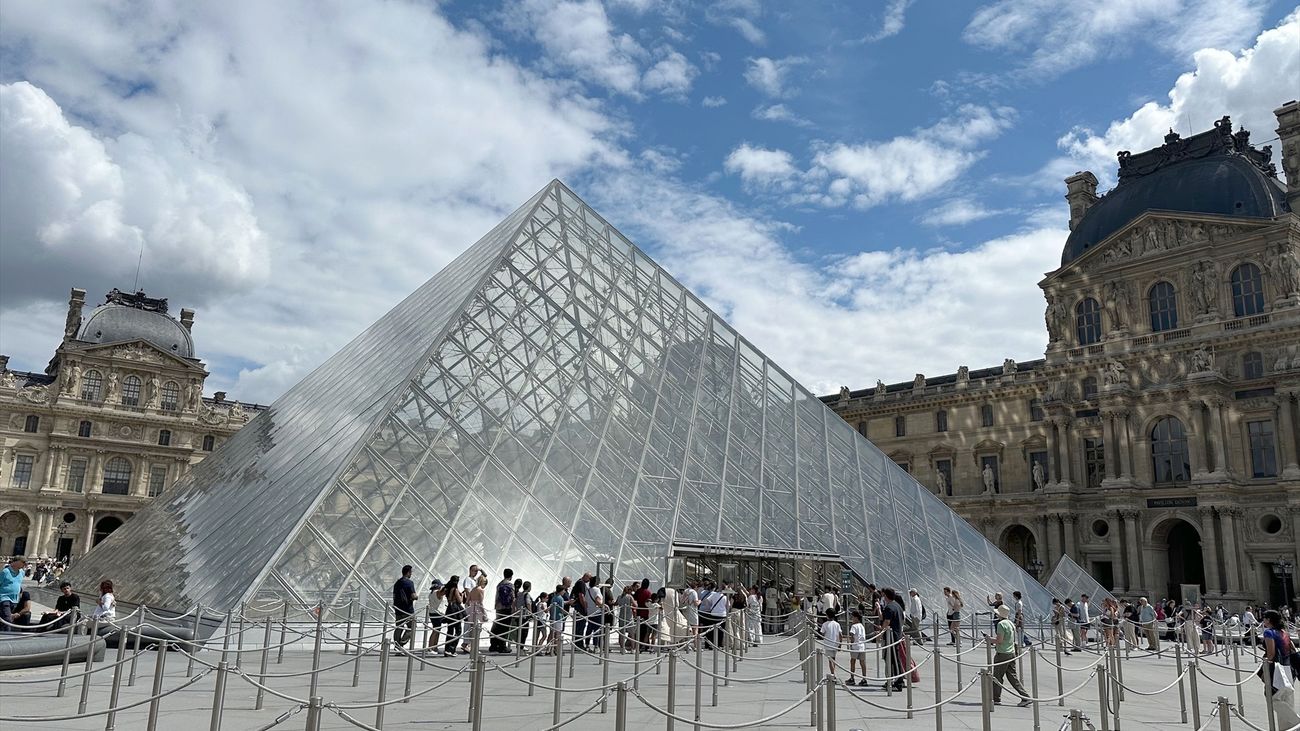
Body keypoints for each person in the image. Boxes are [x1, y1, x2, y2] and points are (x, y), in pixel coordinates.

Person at [1261, 610, 1300, 728]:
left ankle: (1297, 721)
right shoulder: (1284, 632)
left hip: (1277, 670)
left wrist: (1264, 671)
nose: (1263, 621)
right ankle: (1288, 728)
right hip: (1289, 669)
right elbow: (1292, 649)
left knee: (1272, 699)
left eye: (1264, 618)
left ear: (1268, 620)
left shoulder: (1269, 633)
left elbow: (1271, 654)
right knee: (1287, 700)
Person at [988, 605, 1032, 707]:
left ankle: (996, 698)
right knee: (1012, 677)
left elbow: (999, 640)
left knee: (997, 676)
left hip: (1002, 653)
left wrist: (989, 639)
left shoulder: (1001, 624)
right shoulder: (1010, 623)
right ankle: (1025, 696)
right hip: (1011, 653)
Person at [392, 565, 417, 649]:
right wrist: (416, 597)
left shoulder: (397, 583)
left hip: (398, 609)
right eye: (411, 572)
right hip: (408, 610)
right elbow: (413, 596)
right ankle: (402, 643)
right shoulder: (409, 583)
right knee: (412, 627)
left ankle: (396, 645)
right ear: (408, 572)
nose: (411, 574)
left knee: (399, 627)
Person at [698, 581, 729, 649]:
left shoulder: (714, 594)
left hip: (713, 613)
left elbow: (708, 601)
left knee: (711, 630)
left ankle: (710, 643)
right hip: (722, 615)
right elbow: (727, 606)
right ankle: (719, 644)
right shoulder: (725, 597)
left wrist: (711, 606)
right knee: (721, 631)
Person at [490, 569, 515, 653]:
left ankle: (493, 645)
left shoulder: (499, 584)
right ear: (511, 576)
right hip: (507, 608)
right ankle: (502, 646)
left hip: (498, 608)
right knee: (505, 628)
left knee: (497, 626)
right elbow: (512, 597)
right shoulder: (510, 585)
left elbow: (497, 597)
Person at [442, 576, 465, 658]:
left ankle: (447, 649)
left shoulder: (447, 589)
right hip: (456, 611)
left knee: (450, 631)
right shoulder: (455, 589)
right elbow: (460, 601)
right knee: (458, 631)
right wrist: (461, 595)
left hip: (450, 610)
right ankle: (452, 649)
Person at [0, 557, 26, 629]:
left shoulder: (21, 572)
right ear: (16, 562)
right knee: (8, 619)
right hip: (4, 598)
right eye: (23, 562)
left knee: (4, 618)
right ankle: (8, 636)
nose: (25, 564)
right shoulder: (5, 572)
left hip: (14, 599)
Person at [465, 575, 488, 652]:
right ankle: (475, 648)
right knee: (478, 630)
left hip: (472, 610)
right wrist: (484, 613)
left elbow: (467, 602)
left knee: (472, 630)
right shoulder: (481, 590)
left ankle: (471, 646)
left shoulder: (473, 590)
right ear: (483, 582)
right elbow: (480, 603)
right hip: (478, 611)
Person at [846, 610, 868, 686]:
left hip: (855, 646)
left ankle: (852, 678)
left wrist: (850, 643)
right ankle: (864, 678)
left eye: (853, 617)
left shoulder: (854, 626)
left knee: (853, 661)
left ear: (856, 618)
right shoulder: (862, 626)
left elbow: (852, 635)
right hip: (862, 646)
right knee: (862, 662)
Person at [820, 607, 843, 677]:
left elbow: (822, 634)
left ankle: (833, 674)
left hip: (828, 644)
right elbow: (840, 634)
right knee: (833, 659)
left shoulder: (825, 624)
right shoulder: (837, 624)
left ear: (827, 615)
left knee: (830, 660)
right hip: (835, 644)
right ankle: (833, 673)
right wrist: (840, 644)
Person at [426, 579, 445, 652]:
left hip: (432, 612)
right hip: (437, 613)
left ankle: (434, 646)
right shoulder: (437, 593)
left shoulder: (431, 593)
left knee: (437, 630)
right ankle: (431, 647)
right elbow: (442, 592)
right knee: (435, 630)